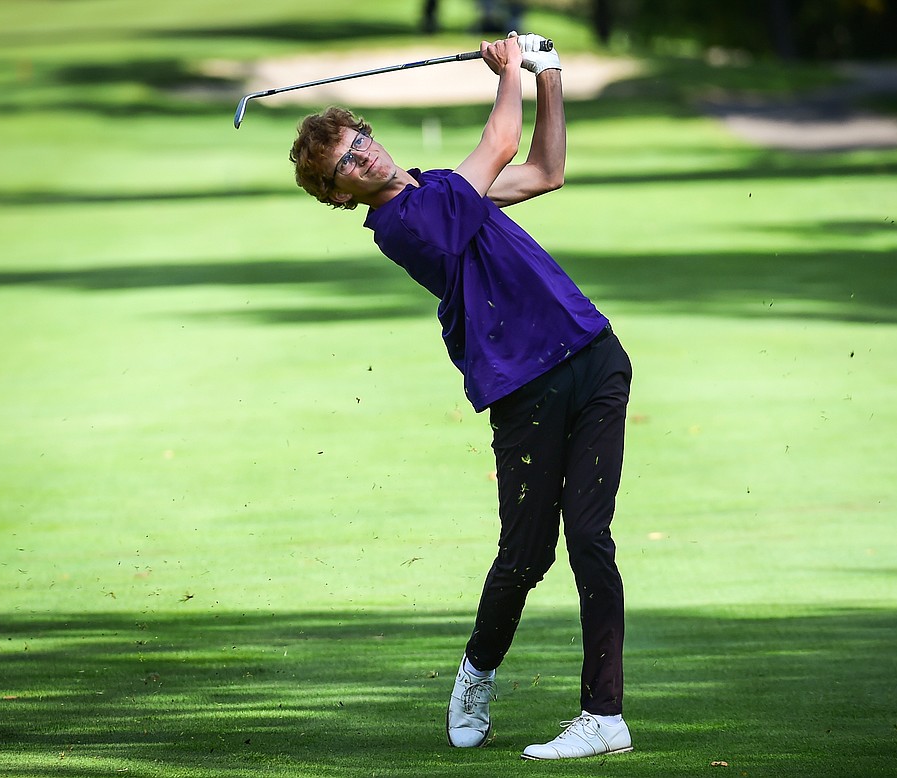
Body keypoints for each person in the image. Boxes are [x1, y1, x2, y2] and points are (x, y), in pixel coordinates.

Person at [288, 33, 633, 760]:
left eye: (360, 142)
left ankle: (604, 717)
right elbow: (502, 142)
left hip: (594, 355)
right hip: (523, 387)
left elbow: (545, 170)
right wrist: (508, 68)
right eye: (346, 163)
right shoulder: (402, 225)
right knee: (527, 555)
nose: (364, 158)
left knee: (592, 539)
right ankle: (476, 673)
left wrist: (549, 75)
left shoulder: (444, 183)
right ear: (336, 194)